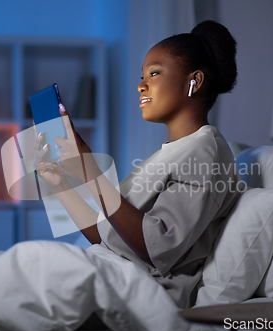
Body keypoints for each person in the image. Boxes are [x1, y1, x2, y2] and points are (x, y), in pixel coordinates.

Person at [34, 20, 241, 310]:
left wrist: (89, 169)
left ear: (195, 81)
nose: (140, 85)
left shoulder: (206, 152)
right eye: (143, 75)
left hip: (142, 295)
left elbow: (157, 247)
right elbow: (106, 235)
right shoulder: (171, 153)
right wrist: (60, 184)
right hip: (112, 272)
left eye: (154, 73)